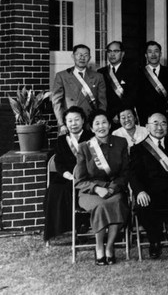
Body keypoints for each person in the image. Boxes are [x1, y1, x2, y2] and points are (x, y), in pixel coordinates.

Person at [129, 113, 168, 258]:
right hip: (150, 192)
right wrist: (140, 191)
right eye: (155, 123)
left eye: (163, 123)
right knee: (142, 205)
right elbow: (133, 175)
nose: (159, 127)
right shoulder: (138, 149)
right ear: (147, 127)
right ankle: (154, 240)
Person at [74, 110, 130, 266]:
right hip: (90, 191)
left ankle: (109, 247)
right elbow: (79, 181)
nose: (101, 126)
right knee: (101, 205)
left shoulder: (121, 143)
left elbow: (126, 172)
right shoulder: (84, 147)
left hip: (115, 188)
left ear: (110, 125)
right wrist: (97, 189)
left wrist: (112, 189)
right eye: (97, 124)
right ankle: (99, 246)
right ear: (91, 128)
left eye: (104, 122)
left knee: (117, 203)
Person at [44, 106, 93, 243]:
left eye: (76, 120)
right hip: (67, 176)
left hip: (87, 176)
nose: (73, 123)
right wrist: (69, 176)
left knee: (77, 189)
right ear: (65, 123)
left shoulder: (91, 137)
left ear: (83, 120)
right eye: (70, 121)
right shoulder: (61, 140)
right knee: (54, 190)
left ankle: (82, 224)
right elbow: (58, 163)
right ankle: (65, 228)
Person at [52, 44, 107, 135]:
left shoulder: (98, 77)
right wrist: (61, 124)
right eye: (79, 54)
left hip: (91, 123)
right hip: (70, 123)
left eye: (86, 55)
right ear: (73, 56)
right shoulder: (62, 76)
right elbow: (56, 102)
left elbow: (102, 102)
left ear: (89, 58)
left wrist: (99, 122)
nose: (82, 58)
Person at [98, 41, 139, 125]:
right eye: (109, 51)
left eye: (116, 51)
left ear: (122, 53)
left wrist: (119, 114)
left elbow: (133, 96)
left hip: (126, 116)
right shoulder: (101, 72)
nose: (112, 54)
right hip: (107, 117)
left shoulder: (133, 71)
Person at [136, 41, 168, 125]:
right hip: (146, 118)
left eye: (156, 51)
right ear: (146, 55)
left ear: (160, 54)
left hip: (165, 117)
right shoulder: (138, 73)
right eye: (150, 52)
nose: (153, 54)